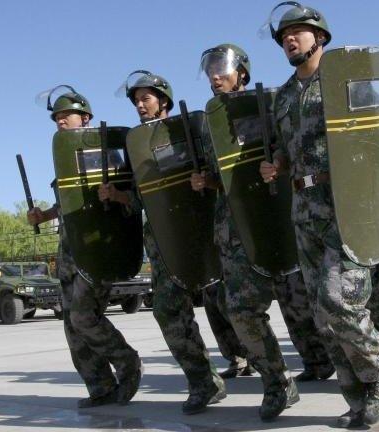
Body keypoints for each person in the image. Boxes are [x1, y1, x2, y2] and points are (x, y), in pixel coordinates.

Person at [259, 3, 379, 427]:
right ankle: (354, 392)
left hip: (347, 205)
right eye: (284, 36)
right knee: (321, 313)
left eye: (298, 32)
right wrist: (276, 164)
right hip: (303, 209)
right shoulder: (281, 97)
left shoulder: (343, 80)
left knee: (341, 300)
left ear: (320, 37)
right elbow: (285, 146)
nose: (289, 40)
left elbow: (374, 131)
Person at [99, 71, 225, 415]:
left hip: (206, 236)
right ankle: (203, 382)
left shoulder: (190, 129)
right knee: (167, 310)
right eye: (137, 101)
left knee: (234, 309)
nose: (141, 105)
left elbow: (220, 173)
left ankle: (274, 378)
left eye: (147, 99)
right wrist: (120, 196)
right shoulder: (136, 148)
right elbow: (142, 202)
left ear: (163, 101)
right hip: (163, 244)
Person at [194, 43, 302, 420]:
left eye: (222, 67)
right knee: (239, 310)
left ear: (242, 72)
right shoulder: (208, 124)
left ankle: (364, 370)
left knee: (316, 307)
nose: (215, 75)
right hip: (233, 228)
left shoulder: (270, 105)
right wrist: (204, 181)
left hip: (281, 220)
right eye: (209, 69)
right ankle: (277, 382)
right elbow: (219, 175)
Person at [28, 86, 142, 408]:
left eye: (66, 116)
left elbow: (135, 200)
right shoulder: (66, 157)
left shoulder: (108, 150)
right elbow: (67, 205)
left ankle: (128, 363)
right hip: (69, 253)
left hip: (98, 250)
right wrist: (43, 214)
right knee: (72, 325)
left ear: (85, 117)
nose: (60, 122)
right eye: (57, 118)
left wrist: (117, 196)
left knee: (83, 317)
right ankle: (100, 386)